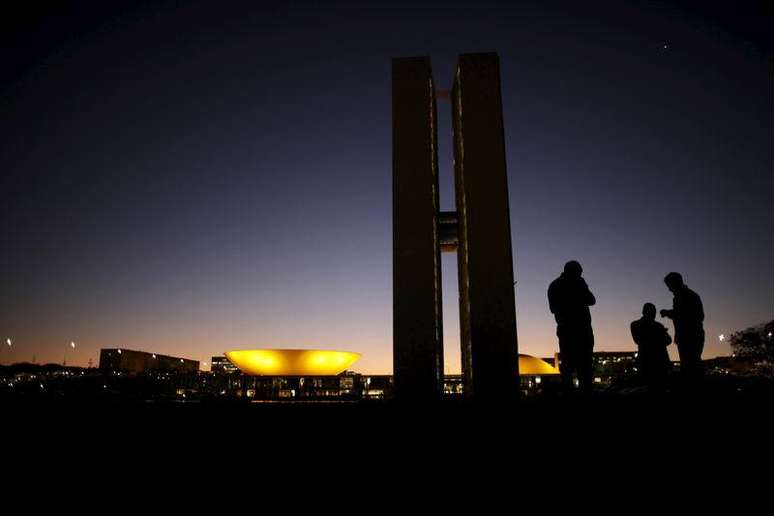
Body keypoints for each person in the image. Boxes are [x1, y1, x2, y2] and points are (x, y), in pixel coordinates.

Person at [548, 260, 596, 394]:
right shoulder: (557, 286)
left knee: (585, 365)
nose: (580, 276)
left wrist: (582, 287)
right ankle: (570, 394)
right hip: (568, 330)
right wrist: (577, 294)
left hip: (583, 330)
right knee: (569, 365)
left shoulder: (578, 284)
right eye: (579, 274)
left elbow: (592, 300)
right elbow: (555, 308)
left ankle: (584, 392)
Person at [659, 272, 704, 384]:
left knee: (691, 366)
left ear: (676, 283)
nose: (669, 289)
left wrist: (669, 313)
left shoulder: (690, 296)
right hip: (684, 337)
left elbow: (694, 316)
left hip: (692, 336)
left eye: (669, 286)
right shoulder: (679, 298)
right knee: (688, 366)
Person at [630, 303, 672, 393]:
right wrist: (658, 336)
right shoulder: (636, 325)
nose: (653, 315)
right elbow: (638, 340)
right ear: (644, 312)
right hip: (647, 362)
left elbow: (669, 340)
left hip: (660, 362)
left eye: (654, 313)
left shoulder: (658, 326)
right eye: (652, 313)